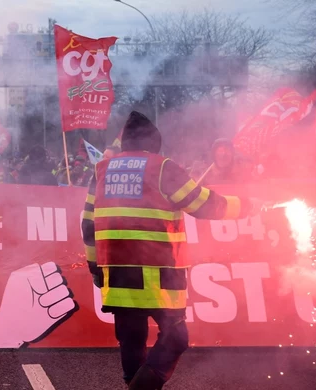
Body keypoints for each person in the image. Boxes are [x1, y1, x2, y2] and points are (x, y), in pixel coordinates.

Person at [81, 111, 262, 389]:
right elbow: (202, 204)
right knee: (176, 338)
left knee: (131, 343)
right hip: (159, 274)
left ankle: (135, 385)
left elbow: (88, 225)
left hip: (116, 274)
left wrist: (95, 269)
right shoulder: (162, 167)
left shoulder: (102, 170)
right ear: (155, 142)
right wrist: (246, 206)